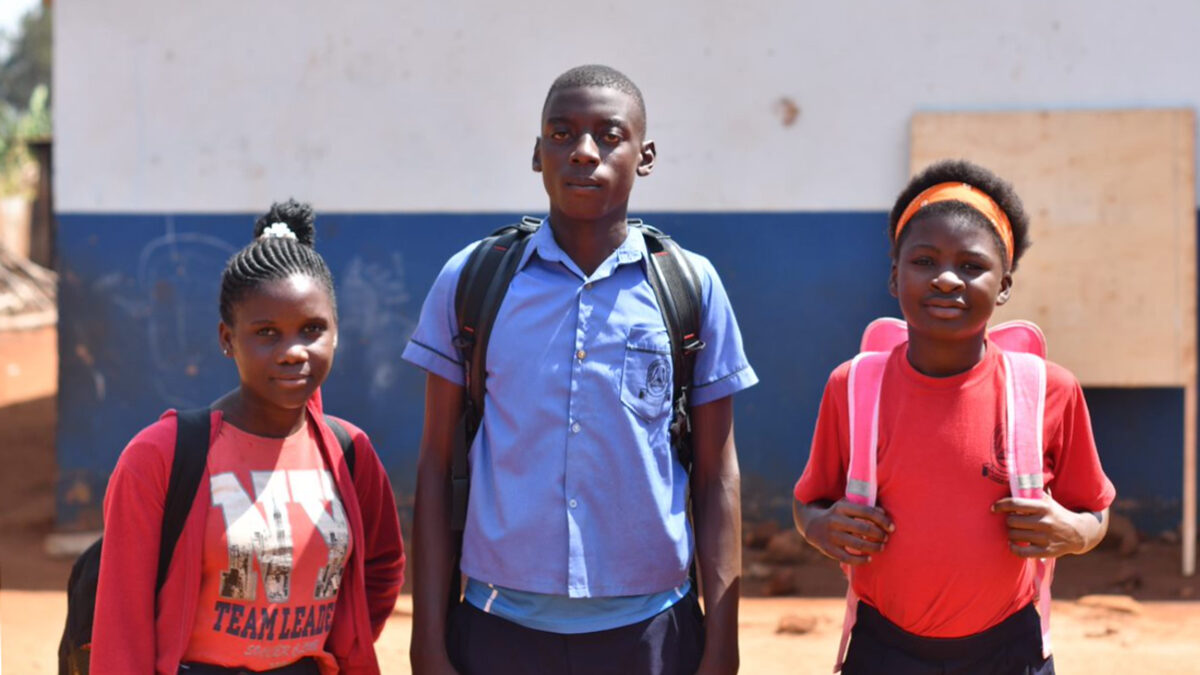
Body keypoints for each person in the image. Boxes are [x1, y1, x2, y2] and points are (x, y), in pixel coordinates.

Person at [403, 64, 757, 675]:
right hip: (497, 627)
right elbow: (436, 464)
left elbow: (716, 476)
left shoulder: (689, 287)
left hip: (652, 632)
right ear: (538, 154)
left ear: (644, 156)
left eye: (609, 135)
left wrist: (721, 645)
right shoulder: (474, 280)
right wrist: (427, 640)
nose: (584, 153)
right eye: (562, 135)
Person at [793, 159, 1115, 674]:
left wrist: (1075, 533)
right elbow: (808, 503)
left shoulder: (1049, 390)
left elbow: (1094, 513)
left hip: (1010, 649)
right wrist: (821, 528)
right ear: (895, 278)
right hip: (883, 647)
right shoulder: (853, 387)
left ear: (1005, 285)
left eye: (971, 266)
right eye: (924, 261)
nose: (946, 279)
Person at [91, 200, 405, 674]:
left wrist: (341, 641)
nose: (293, 351)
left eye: (312, 330)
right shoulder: (161, 456)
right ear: (226, 338)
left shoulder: (348, 453)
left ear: (336, 334)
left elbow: (381, 568)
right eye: (266, 333)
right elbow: (122, 622)